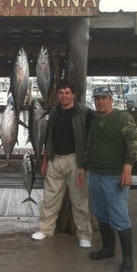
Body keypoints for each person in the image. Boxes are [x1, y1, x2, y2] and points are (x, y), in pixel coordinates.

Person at [84, 86, 137, 272]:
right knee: (100, 213)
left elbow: (134, 142)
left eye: (104, 98)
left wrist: (128, 167)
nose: (100, 102)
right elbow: (89, 146)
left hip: (114, 176)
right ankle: (108, 249)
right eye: (97, 98)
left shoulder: (123, 118)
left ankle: (128, 260)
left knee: (119, 217)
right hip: (95, 174)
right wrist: (84, 168)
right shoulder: (94, 122)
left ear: (111, 99)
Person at [32, 81, 94, 247]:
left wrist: (84, 166)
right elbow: (48, 139)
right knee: (49, 199)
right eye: (61, 93)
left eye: (67, 92)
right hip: (54, 159)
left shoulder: (85, 113)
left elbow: (90, 141)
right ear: (57, 95)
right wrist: (45, 160)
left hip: (75, 160)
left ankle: (84, 235)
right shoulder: (53, 113)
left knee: (79, 200)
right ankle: (45, 229)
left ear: (73, 95)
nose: (64, 96)